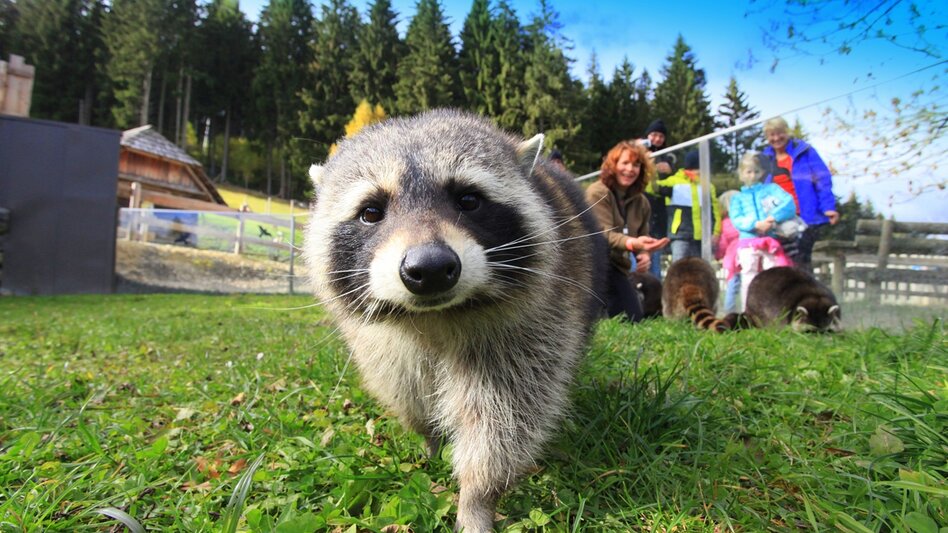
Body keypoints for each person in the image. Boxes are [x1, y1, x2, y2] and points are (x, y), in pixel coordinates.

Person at [585, 140, 669, 321]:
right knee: (619, 316)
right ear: (612, 165)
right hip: (592, 265)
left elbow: (642, 236)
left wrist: (644, 254)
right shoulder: (597, 192)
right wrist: (632, 243)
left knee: (632, 317)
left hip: (618, 267)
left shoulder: (641, 202)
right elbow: (601, 233)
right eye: (625, 163)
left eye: (636, 165)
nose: (630, 169)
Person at [761, 117, 839, 271]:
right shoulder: (764, 158)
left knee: (802, 260)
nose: (776, 138)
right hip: (778, 218)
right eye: (772, 135)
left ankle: (805, 293)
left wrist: (828, 206)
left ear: (787, 132)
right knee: (780, 261)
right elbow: (759, 188)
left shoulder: (804, 152)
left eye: (780, 133)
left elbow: (822, 179)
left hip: (804, 216)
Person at [729, 152, 796, 310]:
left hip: (770, 240)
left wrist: (772, 219)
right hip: (748, 242)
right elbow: (736, 218)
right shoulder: (737, 198)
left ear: (762, 172)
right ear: (741, 173)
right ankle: (749, 310)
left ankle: (773, 309)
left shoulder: (771, 189)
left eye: (756, 171)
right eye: (748, 171)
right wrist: (755, 224)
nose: (753, 175)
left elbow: (789, 204)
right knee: (749, 274)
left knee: (772, 273)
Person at [654, 150, 721, 263]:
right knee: (678, 268)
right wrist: (652, 170)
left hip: (703, 237)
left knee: (701, 270)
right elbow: (651, 188)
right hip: (679, 235)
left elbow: (715, 211)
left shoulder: (708, 186)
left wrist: (716, 232)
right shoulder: (673, 182)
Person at [641, 119, 675, 280]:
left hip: (660, 211)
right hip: (642, 208)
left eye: (661, 136)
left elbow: (673, 171)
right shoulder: (639, 150)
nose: (657, 139)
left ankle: (655, 284)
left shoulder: (669, 154)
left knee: (656, 254)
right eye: (654, 135)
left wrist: (668, 168)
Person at [716, 190, 741, 314]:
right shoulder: (741, 220)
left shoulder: (725, 223)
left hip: (731, 257)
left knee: (732, 284)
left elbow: (722, 242)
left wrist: (719, 255)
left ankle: (729, 310)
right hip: (743, 253)